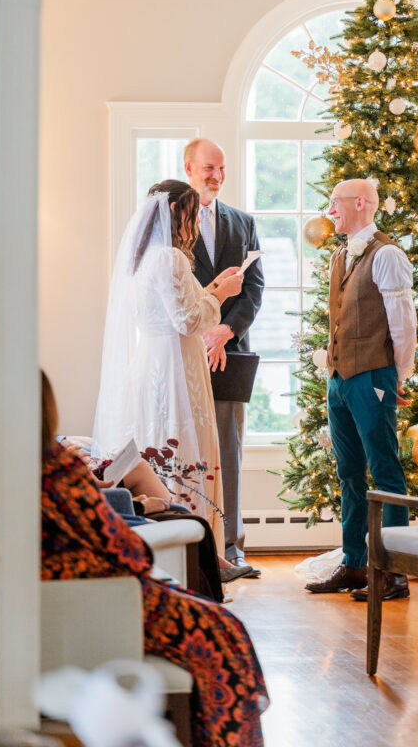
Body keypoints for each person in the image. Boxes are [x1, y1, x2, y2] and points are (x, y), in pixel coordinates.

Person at [42, 371, 269, 747]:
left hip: (80, 596)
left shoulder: (14, 469)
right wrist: (139, 508)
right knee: (225, 634)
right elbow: (129, 551)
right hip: (108, 600)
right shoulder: (57, 473)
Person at [91, 179, 245, 563]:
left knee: (160, 438)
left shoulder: (142, 258)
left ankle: (183, 546)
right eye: (192, 214)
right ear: (177, 211)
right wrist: (222, 295)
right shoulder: (171, 258)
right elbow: (188, 319)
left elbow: (177, 306)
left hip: (153, 361)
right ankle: (201, 551)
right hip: (178, 364)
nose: (193, 224)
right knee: (185, 440)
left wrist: (211, 286)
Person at [305, 178, 418, 600]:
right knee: (349, 472)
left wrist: (399, 373)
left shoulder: (387, 254)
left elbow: (403, 323)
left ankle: (394, 573)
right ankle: (354, 565)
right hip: (339, 379)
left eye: (334, 202)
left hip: (373, 376)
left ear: (358, 203)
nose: (329, 210)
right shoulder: (339, 255)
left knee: (385, 470)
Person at [184, 139, 264, 577]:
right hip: (185, 351)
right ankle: (195, 544)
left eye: (222, 169)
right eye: (209, 168)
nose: (216, 175)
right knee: (187, 444)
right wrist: (201, 331)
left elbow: (254, 288)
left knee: (228, 451)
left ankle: (232, 548)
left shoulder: (243, 222)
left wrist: (225, 330)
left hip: (230, 353)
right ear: (189, 168)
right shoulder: (172, 222)